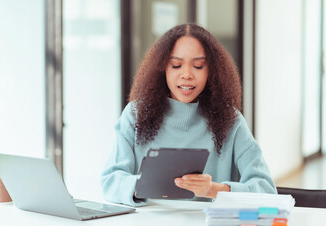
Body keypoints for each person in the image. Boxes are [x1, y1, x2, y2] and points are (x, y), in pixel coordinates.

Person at [101, 23, 276, 207]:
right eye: (176, 65)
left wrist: (213, 189)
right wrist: (143, 185)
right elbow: (111, 181)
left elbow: (265, 189)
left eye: (198, 66)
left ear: (211, 70)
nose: (186, 74)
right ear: (163, 69)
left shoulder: (231, 121)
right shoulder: (136, 114)